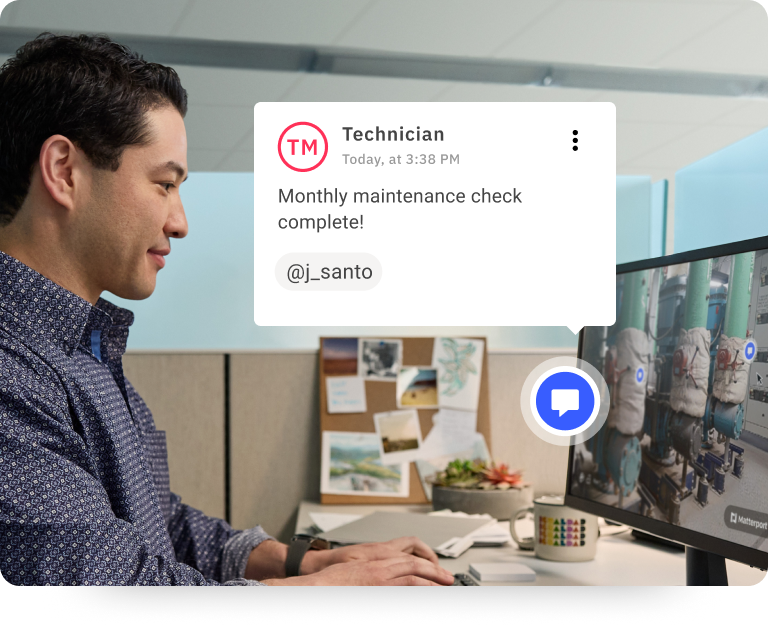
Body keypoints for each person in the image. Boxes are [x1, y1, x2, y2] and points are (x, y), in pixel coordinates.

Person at [0, 33, 454, 586]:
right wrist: (335, 591)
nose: (180, 222)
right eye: (164, 184)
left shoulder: (82, 349)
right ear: (65, 170)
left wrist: (307, 562)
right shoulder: (11, 374)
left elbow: (156, 524)